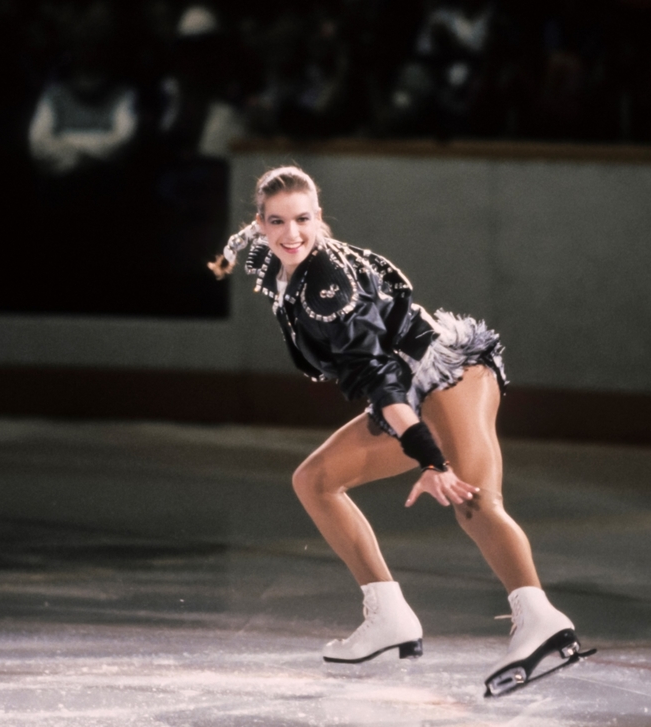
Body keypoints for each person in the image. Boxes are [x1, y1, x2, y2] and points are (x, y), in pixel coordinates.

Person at [209, 165, 588, 695]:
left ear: (319, 219)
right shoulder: (272, 250)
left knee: (473, 501)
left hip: (446, 378)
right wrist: (226, 258)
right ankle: (389, 617)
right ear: (262, 221)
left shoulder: (327, 289)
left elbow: (381, 384)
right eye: (277, 222)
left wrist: (432, 462)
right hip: (411, 390)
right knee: (315, 480)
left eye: (302, 220)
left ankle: (542, 620)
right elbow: (247, 240)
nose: (290, 234)